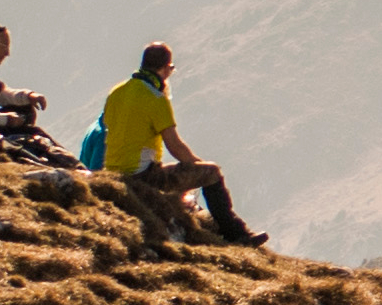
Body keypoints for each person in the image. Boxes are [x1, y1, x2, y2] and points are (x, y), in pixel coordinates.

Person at [96, 42, 267, 248]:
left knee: (182, 177)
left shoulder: (117, 92)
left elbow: (109, 125)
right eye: (171, 69)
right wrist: (198, 165)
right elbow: (174, 146)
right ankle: (236, 234)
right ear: (165, 68)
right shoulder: (155, 97)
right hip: (142, 176)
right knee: (212, 173)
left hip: (113, 172)